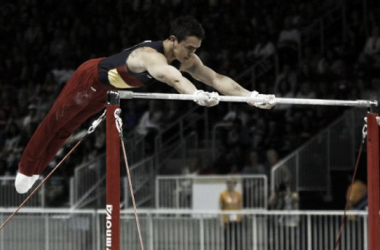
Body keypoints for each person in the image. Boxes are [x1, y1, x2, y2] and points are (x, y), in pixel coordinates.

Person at [15, 16, 276, 194]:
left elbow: (217, 79)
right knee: (55, 123)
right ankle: (27, 169)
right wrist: (195, 94)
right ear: (173, 39)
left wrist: (251, 96)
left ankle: (36, 171)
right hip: (90, 78)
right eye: (188, 47)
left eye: (196, 49)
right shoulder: (150, 56)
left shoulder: (189, 59)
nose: (191, 54)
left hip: (108, 90)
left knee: (68, 129)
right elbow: (172, 77)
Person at [219, 178, 243, 250]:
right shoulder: (222, 194)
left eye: (232, 183)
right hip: (226, 219)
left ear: (235, 185)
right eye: (229, 183)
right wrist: (221, 221)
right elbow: (220, 208)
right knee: (227, 238)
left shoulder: (238, 194)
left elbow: (240, 206)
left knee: (237, 238)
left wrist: (241, 217)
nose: (230, 185)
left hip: (236, 219)